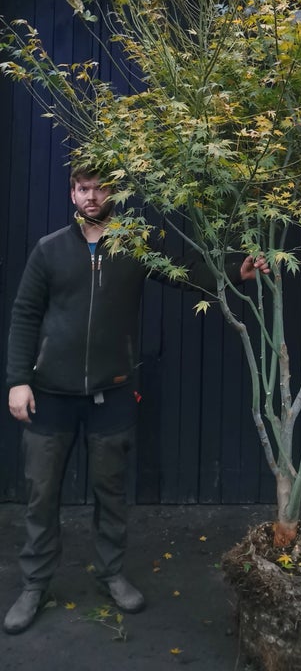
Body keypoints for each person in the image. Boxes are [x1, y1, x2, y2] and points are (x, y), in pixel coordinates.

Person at [4, 167, 268, 635]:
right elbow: (25, 315)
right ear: (72, 193)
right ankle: (35, 584)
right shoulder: (49, 250)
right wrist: (18, 380)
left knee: (111, 493)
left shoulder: (134, 246)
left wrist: (236, 272)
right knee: (42, 496)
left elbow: (184, 275)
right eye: (83, 189)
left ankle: (110, 574)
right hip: (51, 395)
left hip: (114, 391)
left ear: (114, 192)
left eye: (100, 187)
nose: (91, 196)